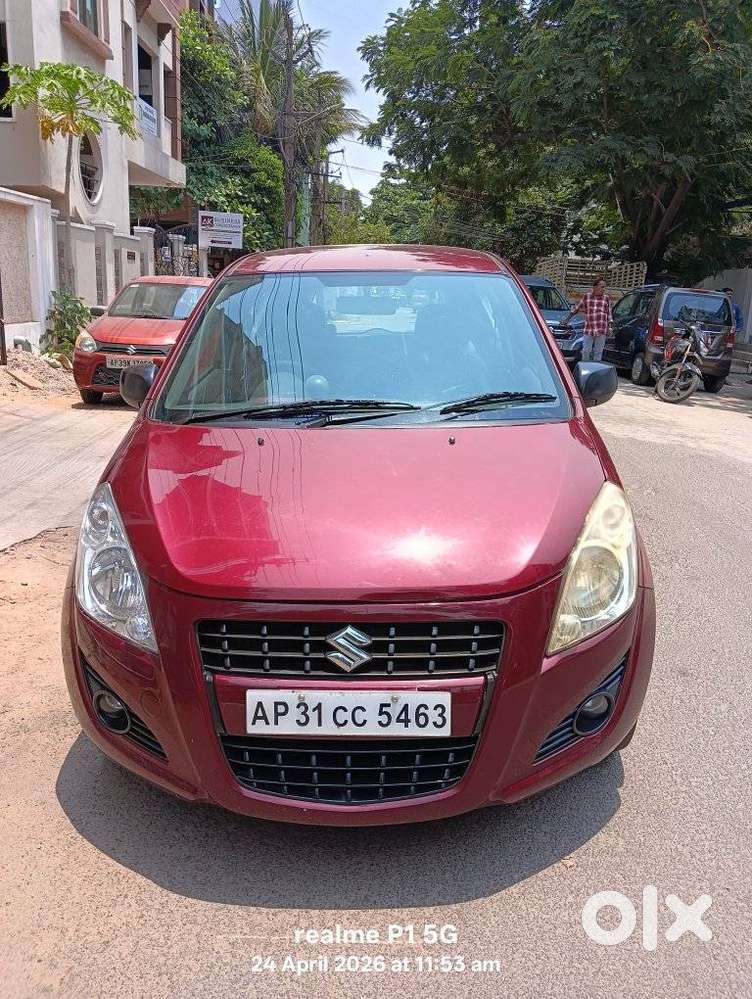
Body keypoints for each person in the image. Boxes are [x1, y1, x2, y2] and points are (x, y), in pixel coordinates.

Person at [566, 276, 612, 361]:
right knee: (586, 350)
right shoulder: (587, 296)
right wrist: (567, 319)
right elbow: (576, 308)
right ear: (595, 287)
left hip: (601, 328)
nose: (604, 289)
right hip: (589, 328)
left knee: (598, 352)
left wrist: (610, 327)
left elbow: (609, 313)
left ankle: (595, 371)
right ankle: (585, 368)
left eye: (605, 287)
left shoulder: (606, 298)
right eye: (602, 287)